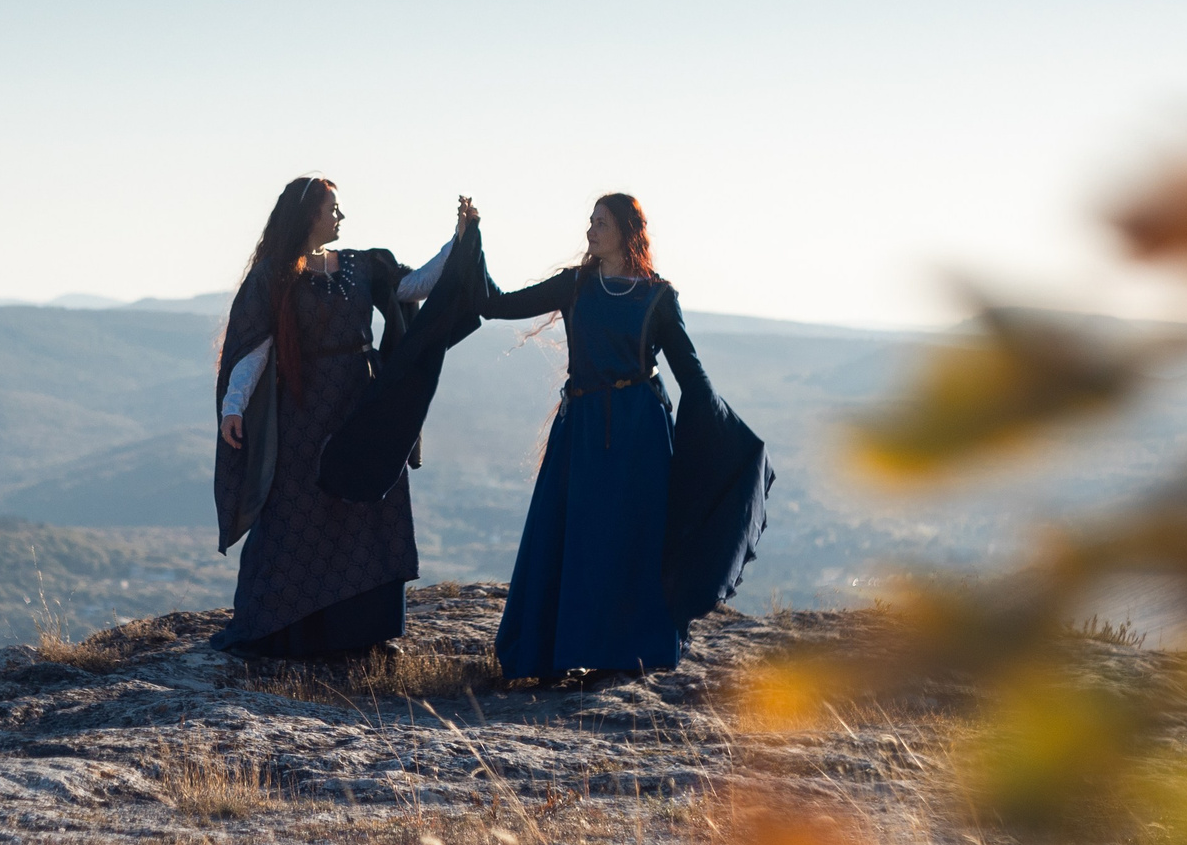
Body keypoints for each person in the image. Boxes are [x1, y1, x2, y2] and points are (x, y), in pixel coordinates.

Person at [479, 193, 770, 681]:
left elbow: (689, 373)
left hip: (640, 435)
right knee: (571, 537)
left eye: (601, 222)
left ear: (626, 232)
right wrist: (472, 240)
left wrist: (729, 441)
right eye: (589, 221)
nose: (590, 231)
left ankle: (628, 655)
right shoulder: (575, 286)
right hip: (582, 430)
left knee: (633, 542)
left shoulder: (657, 296)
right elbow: (496, 304)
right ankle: (554, 653)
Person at [212, 178, 474, 658]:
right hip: (302, 414)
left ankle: (363, 633)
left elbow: (415, 285)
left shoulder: (363, 263)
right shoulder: (273, 276)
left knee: (366, 510)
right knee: (295, 514)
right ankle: (287, 629)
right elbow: (254, 347)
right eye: (334, 208)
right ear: (309, 214)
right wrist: (234, 406)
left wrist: (458, 239)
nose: (341, 217)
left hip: (360, 406)